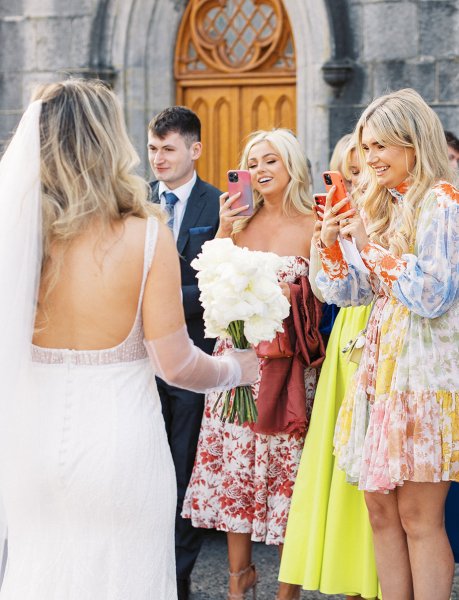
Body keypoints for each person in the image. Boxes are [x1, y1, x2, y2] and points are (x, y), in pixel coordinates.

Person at [0, 79, 258, 599]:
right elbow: (176, 365)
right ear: (107, 141)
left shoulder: (17, 235)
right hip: (120, 450)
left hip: (32, 450)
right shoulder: (144, 235)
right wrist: (237, 369)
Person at [316, 88, 458, 600]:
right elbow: (348, 291)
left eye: (382, 147)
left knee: (419, 517)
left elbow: (433, 293)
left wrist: (370, 247)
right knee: (380, 512)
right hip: (378, 376)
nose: (371, 158)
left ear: (414, 144)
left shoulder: (442, 200)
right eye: (367, 146)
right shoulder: (383, 203)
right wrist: (332, 245)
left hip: (422, 379)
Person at [183, 128, 324, 600]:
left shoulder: (313, 223)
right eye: (253, 162)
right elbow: (210, 288)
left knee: (291, 475)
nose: (261, 171)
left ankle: (289, 588)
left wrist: (292, 295)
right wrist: (224, 230)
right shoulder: (239, 222)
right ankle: (238, 580)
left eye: (270, 162)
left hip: (291, 370)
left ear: (292, 166)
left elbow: (328, 294)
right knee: (236, 470)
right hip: (238, 364)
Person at [279, 139, 380, 599]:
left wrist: (364, 237)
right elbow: (324, 288)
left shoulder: (391, 214)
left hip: (383, 338)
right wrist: (327, 240)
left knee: (375, 466)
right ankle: (344, 577)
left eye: (359, 172)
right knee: (338, 465)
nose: (354, 181)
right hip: (347, 337)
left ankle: (371, 580)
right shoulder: (336, 219)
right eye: (346, 173)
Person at [147, 106, 221, 600]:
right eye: (153, 148)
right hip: (139, 361)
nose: (158, 159)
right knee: (143, 464)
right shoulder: (131, 202)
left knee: (182, 467)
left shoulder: (220, 206)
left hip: (193, 355)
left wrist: (168, 300)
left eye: (168, 149)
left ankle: (178, 578)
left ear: (194, 149)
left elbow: (219, 283)